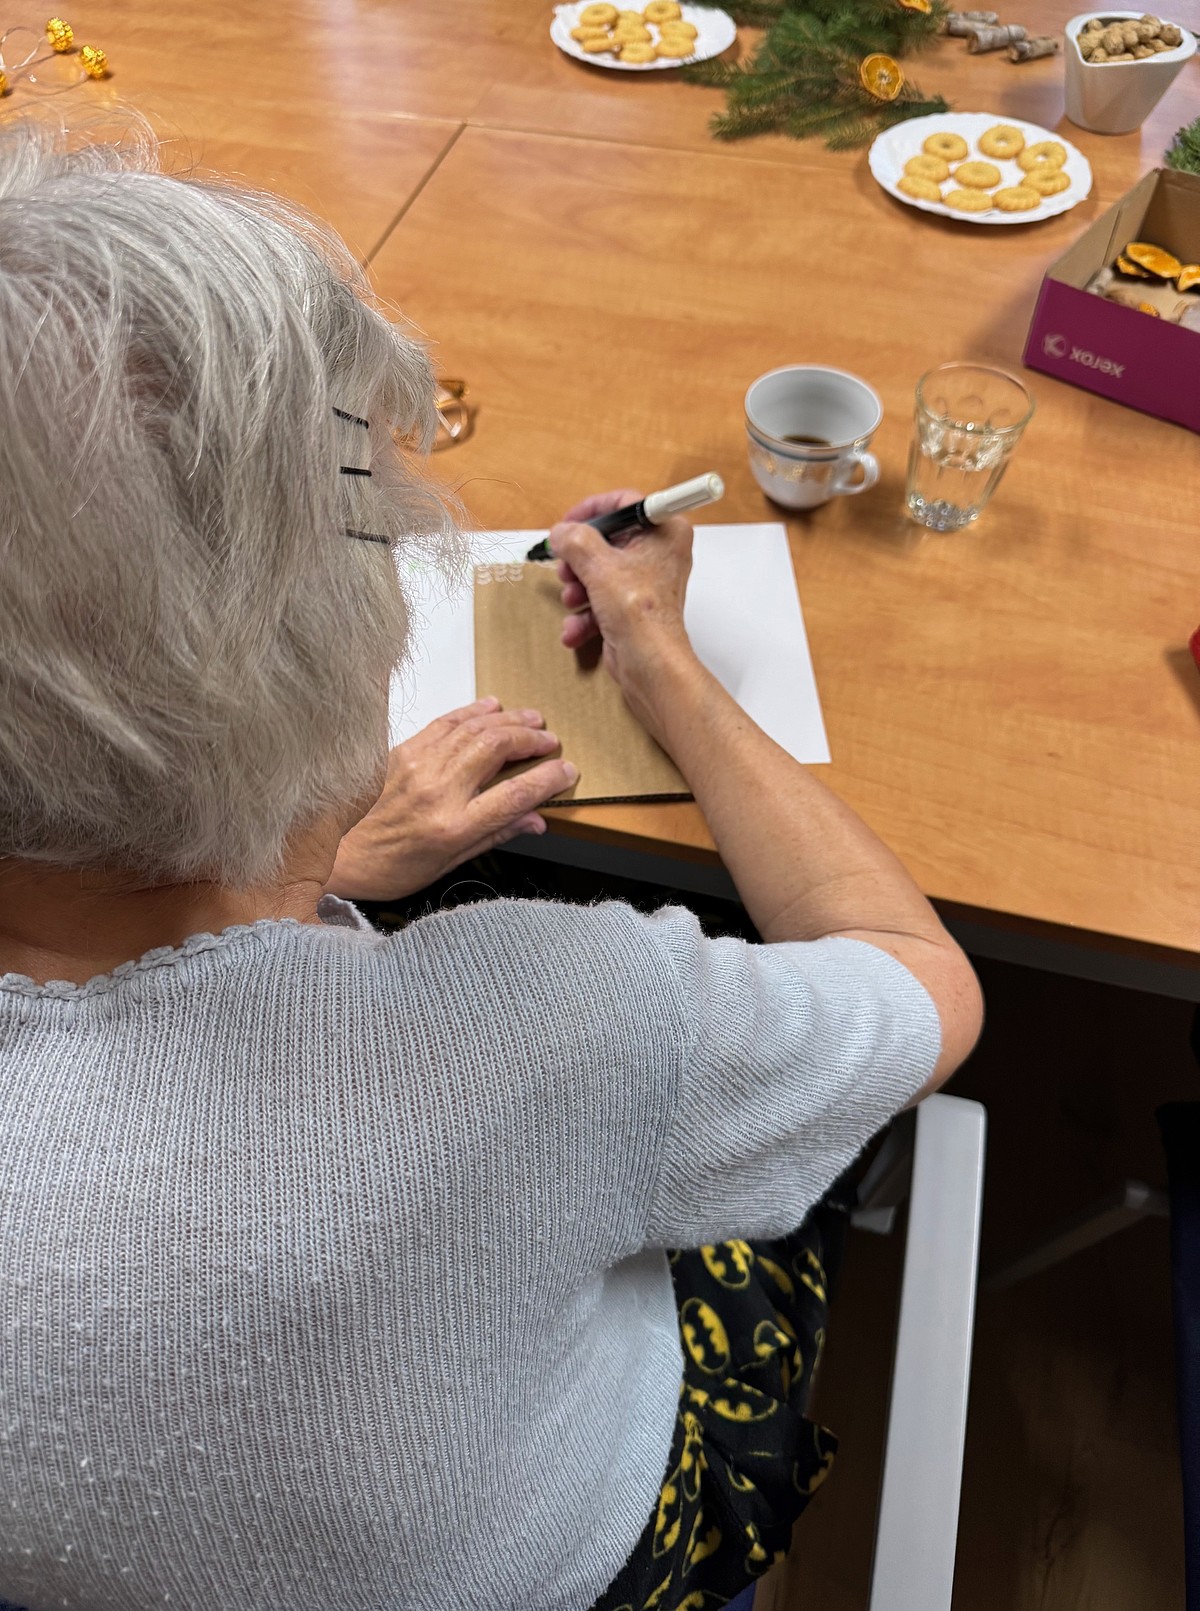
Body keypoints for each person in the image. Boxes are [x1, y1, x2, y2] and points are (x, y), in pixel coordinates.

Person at [0, 120, 982, 1611]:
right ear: (310, 657)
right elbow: (925, 985)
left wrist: (330, 871)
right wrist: (658, 655)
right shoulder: (542, 1021)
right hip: (582, 1560)